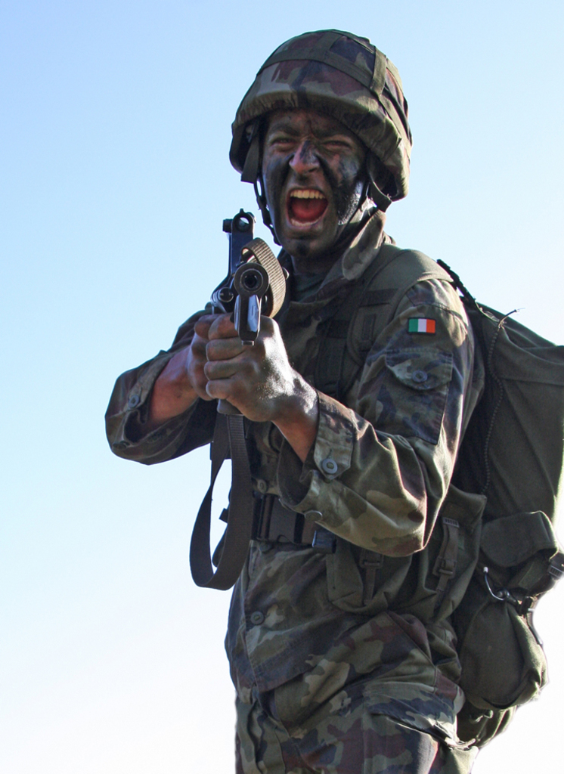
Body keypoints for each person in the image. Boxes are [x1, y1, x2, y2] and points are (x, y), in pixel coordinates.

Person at [106, 30, 485, 774]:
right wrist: (191, 370)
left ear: (372, 168)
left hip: (379, 709)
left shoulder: (416, 302)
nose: (302, 162)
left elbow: (403, 507)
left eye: (329, 142)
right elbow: (126, 428)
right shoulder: (258, 301)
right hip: (267, 714)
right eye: (284, 141)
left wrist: (287, 400)